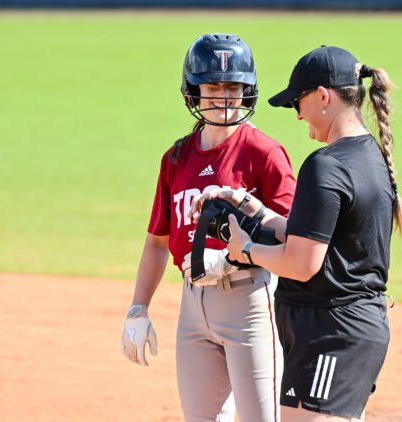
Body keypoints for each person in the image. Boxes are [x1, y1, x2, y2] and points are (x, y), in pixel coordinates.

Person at [190, 46, 402, 421]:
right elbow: (311, 235)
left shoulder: (325, 166)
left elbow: (302, 263)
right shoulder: (367, 156)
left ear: (324, 96)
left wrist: (244, 251)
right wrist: (252, 206)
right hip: (337, 331)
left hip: (332, 334)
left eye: (299, 101)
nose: (297, 114)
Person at [121, 33, 296, 422]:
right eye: (212, 87)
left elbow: (293, 234)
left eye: (233, 86)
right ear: (193, 93)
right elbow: (156, 242)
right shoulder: (177, 157)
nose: (223, 96)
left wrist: (242, 251)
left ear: (247, 91)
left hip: (249, 300)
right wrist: (138, 309)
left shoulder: (264, 153)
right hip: (192, 306)